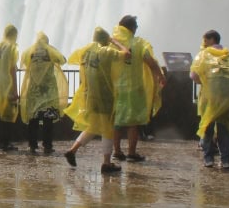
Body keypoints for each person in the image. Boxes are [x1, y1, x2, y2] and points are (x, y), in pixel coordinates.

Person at [62, 27, 128, 173]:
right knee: (108, 130)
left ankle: (72, 151)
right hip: (105, 97)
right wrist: (115, 42)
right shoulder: (106, 52)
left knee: (93, 127)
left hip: (90, 97)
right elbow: (127, 54)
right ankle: (106, 163)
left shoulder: (85, 52)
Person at [110, 15, 163, 162]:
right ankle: (132, 153)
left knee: (117, 121)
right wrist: (160, 76)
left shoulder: (112, 42)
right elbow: (150, 62)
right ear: (132, 28)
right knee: (133, 123)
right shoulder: (138, 43)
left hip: (116, 88)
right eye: (136, 27)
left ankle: (117, 151)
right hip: (134, 89)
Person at [190, 30, 229, 171]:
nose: (203, 43)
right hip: (227, 100)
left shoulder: (204, 55)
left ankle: (208, 160)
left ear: (212, 40)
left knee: (207, 128)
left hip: (210, 98)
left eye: (205, 40)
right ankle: (226, 161)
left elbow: (193, 75)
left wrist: (206, 83)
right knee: (225, 129)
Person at [19, 32, 67, 155]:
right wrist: (52, 49)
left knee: (33, 119)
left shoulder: (29, 52)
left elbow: (23, 61)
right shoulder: (50, 51)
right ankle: (47, 145)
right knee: (48, 120)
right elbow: (63, 60)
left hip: (34, 91)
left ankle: (32, 145)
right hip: (48, 92)